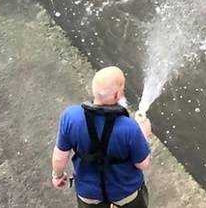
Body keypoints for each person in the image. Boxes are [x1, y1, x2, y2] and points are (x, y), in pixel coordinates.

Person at [51, 66, 153, 207]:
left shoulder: (70, 117)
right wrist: (144, 135)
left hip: (89, 196)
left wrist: (58, 176)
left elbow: (59, 156)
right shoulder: (130, 128)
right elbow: (143, 164)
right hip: (125, 196)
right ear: (117, 95)